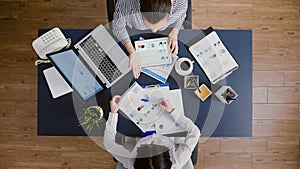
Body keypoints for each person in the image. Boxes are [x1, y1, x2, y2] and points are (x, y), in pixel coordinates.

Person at [104, 95, 200, 169]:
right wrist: (172, 112)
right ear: (169, 158)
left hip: (140, 133)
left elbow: (109, 144)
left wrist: (113, 113)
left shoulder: (131, 161)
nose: (153, 141)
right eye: (159, 147)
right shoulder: (177, 161)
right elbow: (195, 132)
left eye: (148, 145)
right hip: (167, 131)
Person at [112, 0, 188, 79]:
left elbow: (182, 14)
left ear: (172, 7)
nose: (154, 31)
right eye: (149, 26)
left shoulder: (180, 2)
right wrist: (132, 51)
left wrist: (175, 30)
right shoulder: (127, 3)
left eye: (158, 26)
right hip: (133, 33)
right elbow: (118, 28)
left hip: (166, 33)